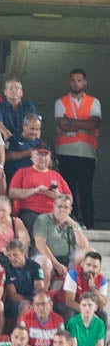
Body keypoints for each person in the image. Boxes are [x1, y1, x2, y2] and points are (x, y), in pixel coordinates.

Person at [56, 69, 100, 229]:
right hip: (65, 153)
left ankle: (90, 225)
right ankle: (70, 224)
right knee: (69, 193)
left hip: (87, 154)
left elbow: (93, 124)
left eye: (79, 80)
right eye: (73, 80)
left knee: (86, 192)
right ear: (70, 82)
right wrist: (84, 124)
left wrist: (72, 123)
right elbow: (62, 124)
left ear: (85, 83)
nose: (76, 83)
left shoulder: (94, 102)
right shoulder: (60, 101)